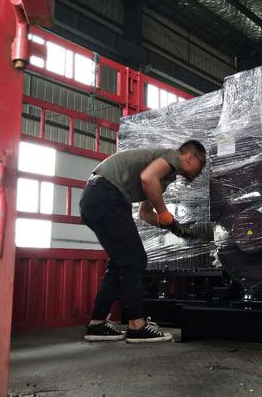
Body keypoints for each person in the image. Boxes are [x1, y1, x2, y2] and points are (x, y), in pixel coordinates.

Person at [79, 140, 206, 343]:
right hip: (106, 196)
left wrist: (173, 226)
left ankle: (97, 324)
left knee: (120, 263)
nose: (200, 171)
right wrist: (163, 212)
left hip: (98, 198)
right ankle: (137, 326)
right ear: (189, 157)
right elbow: (147, 178)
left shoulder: (165, 177)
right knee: (135, 260)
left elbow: (144, 213)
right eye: (201, 164)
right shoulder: (171, 156)